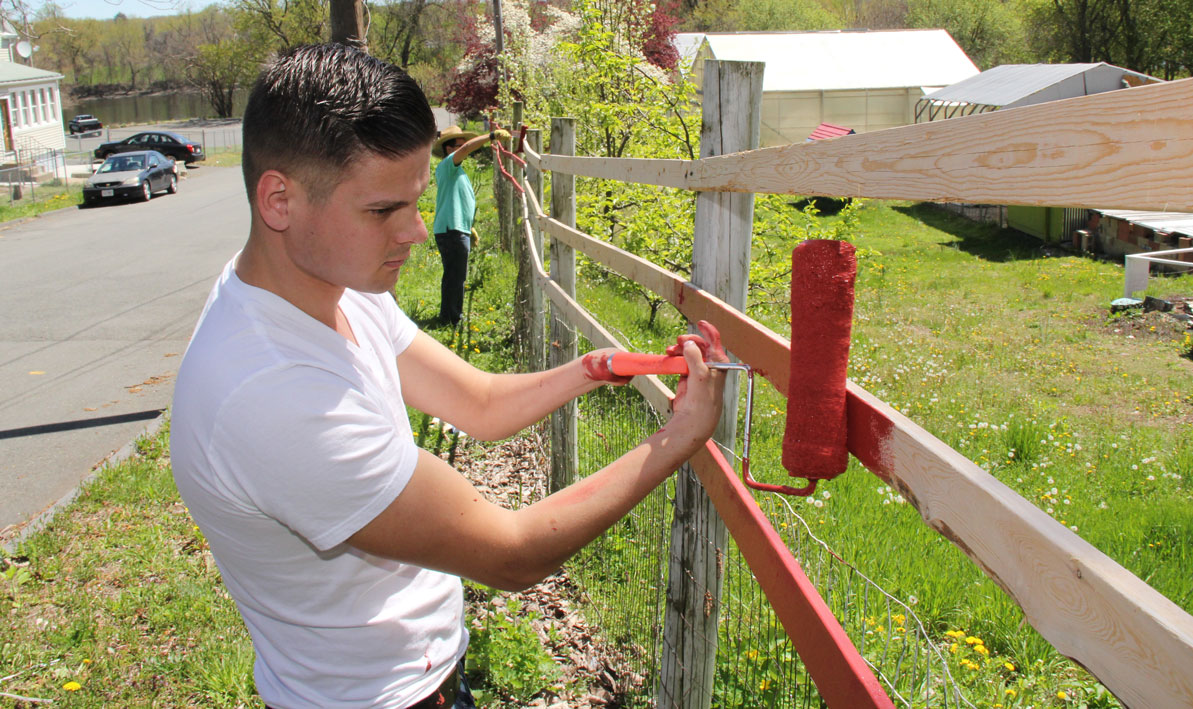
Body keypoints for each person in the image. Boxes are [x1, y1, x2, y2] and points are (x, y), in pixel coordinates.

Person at [170, 43, 726, 709]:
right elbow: (510, 554)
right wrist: (676, 440)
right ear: (280, 199)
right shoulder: (272, 394)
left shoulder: (331, 290)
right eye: (383, 210)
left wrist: (594, 368)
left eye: (416, 200)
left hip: (413, 678)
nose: (416, 231)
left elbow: (480, 402)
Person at [430, 125, 508, 326]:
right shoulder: (449, 165)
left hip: (456, 228)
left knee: (456, 275)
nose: (465, 147)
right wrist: (490, 136)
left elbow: (457, 201)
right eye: (459, 144)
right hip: (451, 230)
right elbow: (465, 151)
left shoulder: (455, 170)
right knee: (455, 276)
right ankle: (450, 318)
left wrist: (468, 226)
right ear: (450, 149)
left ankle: (451, 315)